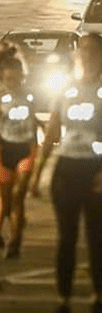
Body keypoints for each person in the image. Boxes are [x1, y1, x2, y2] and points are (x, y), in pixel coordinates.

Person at [30, 34, 102, 313]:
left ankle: (98, 296)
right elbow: (52, 130)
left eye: (93, 50)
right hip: (68, 167)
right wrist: (38, 172)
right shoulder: (66, 89)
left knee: (96, 237)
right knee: (66, 237)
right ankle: (64, 300)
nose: (86, 55)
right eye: (82, 50)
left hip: (99, 168)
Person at [0, 56, 40, 259]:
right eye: (8, 79)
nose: (12, 83)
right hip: (4, 150)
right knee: (6, 201)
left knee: (18, 195)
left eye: (16, 79)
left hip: (24, 150)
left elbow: (32, 124)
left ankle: (15, 240)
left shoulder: (29, 97)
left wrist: (35, 150)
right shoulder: (1, 99)